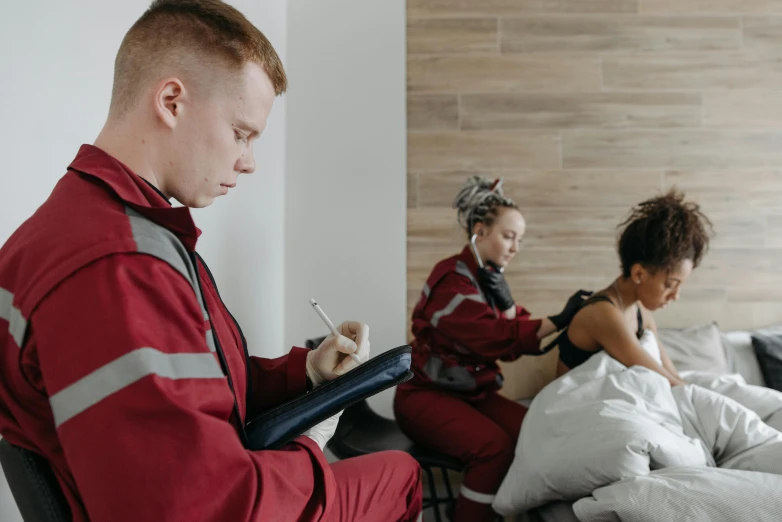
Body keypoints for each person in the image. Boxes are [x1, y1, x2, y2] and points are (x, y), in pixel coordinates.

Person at [0, 1, 422, 521]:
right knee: (401, 476)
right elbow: (202, 507)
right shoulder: (118, 266)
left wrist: (304, 375)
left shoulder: (104, 227)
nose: (248, 162)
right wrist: (310, 446)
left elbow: (195, 385)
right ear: (172, 101)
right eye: (242, 133)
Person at [394, 176, 591, 522]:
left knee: (534, 429)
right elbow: (498, 337)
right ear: (479, 232)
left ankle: (496, 509)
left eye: (520, 239)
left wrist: (511, 303)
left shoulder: (487, 278)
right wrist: (560, 318)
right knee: (495, 448)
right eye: (508, 236)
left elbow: (517, 332)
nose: (515, 247)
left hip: (468, 392)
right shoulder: (451, 282)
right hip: (425, 395)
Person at [553, 190, 714, 387]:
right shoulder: (602, 313)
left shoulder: (641, 312)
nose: (675, 296)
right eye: (670, 285)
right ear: (639, 274)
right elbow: (662, 378)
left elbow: (671, 374)